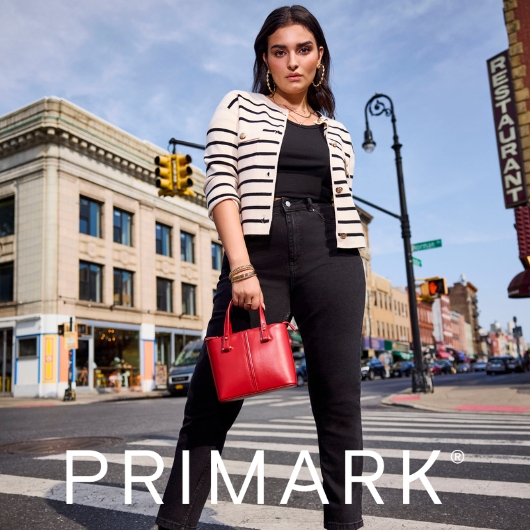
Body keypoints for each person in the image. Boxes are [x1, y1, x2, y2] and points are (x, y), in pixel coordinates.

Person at [156, 6, 366, 530]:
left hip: (332, 260)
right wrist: (241, 269)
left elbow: (341, 201)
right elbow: (219, 183)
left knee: (339, 406)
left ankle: (345, 523)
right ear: (265, 59)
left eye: (303, 49)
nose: (291, 61)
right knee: (213, 399)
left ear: (320, 58)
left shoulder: (337, 132)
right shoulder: (238, 107)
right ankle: (175, 523)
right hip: (259, 257)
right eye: (279, 51)